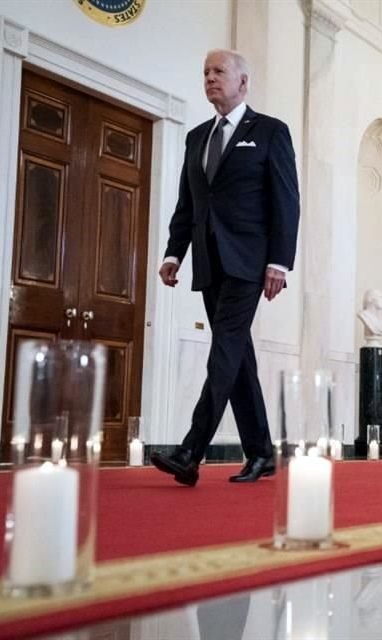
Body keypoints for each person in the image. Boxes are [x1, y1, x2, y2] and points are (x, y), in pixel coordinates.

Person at [150, 49, 300, 486]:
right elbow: (189, 202)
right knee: (237, 357)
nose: (210, 78)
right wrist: (174, 253)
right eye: (205, 73)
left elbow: (286, 201)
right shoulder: (197, 137)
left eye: (219, 72)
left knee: (224, 351)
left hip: (250, 261)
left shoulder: (270, 132)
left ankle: (190, 451)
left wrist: (279, 261)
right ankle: (261, 453)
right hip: (208, 260)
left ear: (243, 82)